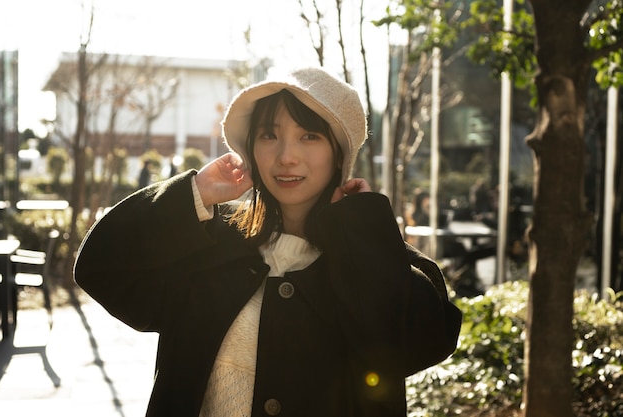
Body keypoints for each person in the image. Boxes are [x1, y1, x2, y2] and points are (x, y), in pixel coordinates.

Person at [74, 67, 462, 417]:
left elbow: (420, 342)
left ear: (339, 153)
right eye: (269, 135)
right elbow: (101, 267)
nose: (286, 156)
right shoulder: (210, 244)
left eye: (309, 136)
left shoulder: (368, 255)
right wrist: (194, 193)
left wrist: (360, 226)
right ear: (250, 149)